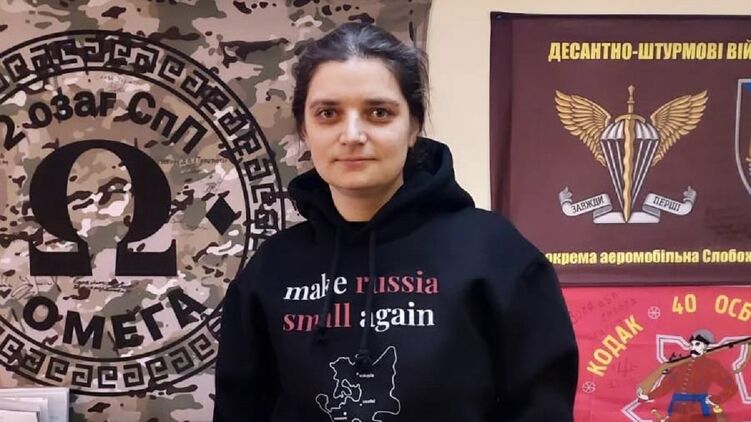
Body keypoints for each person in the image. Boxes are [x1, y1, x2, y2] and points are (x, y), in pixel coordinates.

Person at [213, 22, 578, 422]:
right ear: (305, 129)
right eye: (328, 114)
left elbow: (541, 408)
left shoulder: (496, 254)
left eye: (379, 113)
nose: (352, 134)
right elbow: (240, 409)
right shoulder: (272, 268)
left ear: (413, 126)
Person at [638, 329, 737, 422]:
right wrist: (648, 396)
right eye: (692, 344)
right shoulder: (679, 364)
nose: (693, 348)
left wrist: (716, 399)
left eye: (697, 344)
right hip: (677, 410)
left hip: (699, 409)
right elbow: (666, 386)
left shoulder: (712, 366)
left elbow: (732, 387)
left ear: (706, 346)